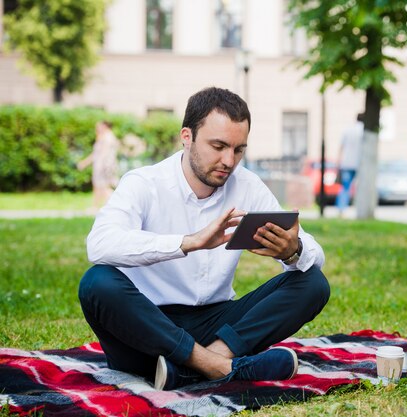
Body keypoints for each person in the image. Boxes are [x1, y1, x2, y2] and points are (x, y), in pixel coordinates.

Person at [78, 87, 330, 391]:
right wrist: (189, 242)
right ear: (187, 136)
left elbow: (314, 254)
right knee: (96, 283)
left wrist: (293, 251)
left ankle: (202, 366)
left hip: (217, 324)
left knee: (313, 283)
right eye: (218, 145)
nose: (229, 160)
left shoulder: (248, 186)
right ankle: (223, 368)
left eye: (238, 150)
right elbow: (100, 243)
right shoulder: (145, 183)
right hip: (147, 330)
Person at [78, 121, 120, 209]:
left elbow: (102, 154)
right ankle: (99, 206)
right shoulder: (107, 136)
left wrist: (98, 166)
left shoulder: (107, 137)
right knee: (100, 186)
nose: (96, 128)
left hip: (103, 165)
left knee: (102, 187)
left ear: (104, 126)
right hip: (105, 165)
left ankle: (104, 205)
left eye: (98, 126)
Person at [336, 112, 364, 216]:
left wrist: (339, 161)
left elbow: (341, 147)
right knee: (361, 188)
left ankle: (341, 210)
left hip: (346, 163)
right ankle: (360, 209)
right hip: (359, 164)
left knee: (345, 188)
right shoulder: (364, 131)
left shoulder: (348, 130)